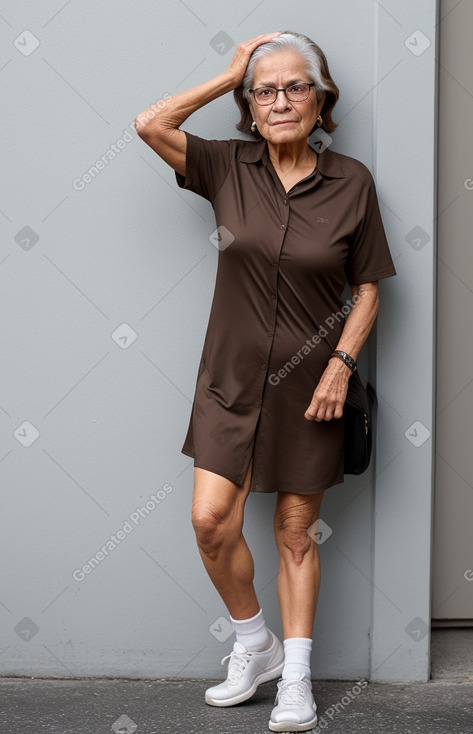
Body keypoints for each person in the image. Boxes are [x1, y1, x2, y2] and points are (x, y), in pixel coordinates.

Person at [135, 30, 396, 733]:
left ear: (321, 98)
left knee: (293, 534)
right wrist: (228, 75)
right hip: (227, 381)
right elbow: (149, 123)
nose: (280, 100)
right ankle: (256, 647)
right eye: (265, 90)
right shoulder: (225, 167)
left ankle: (297, 682)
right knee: (209, 522)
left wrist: (340, 367)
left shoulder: (352, 183)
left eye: (295, 86)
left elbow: (367, 288)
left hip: (312, 390)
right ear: (250, 106)